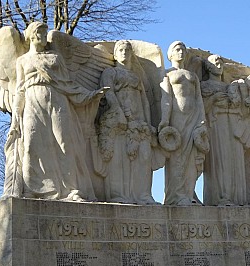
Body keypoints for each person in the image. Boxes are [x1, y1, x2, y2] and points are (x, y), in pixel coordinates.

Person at [10, 22, 106, 201]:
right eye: (39, 32)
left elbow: (67, 83)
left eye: (45, 32)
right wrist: (16, 116)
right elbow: (19, 90)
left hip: (58, 100)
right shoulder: (22, 61)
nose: (43, 35)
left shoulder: (56, 57)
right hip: (32, 101)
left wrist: (88, 95)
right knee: (31, 144)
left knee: (64, 143)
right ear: (31, 35)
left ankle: (71, 190)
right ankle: (34, 189)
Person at [99, 40, 157, 204]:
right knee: (119, 159)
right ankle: (118, 194)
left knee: (144, 159)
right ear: (115, 54)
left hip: (139, 124)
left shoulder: (135, 77)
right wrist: (119, 112)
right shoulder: (110, 72)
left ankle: (143, 195)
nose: (124, 52)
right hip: (119, 122)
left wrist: (147, 121)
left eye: (127, 50)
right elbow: (108, 93)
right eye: (121, 50)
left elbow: (144, 100)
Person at [158, 41, 207, 206]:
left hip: (193, 117)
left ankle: (190, 193)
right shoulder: (167, 74)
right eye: (177, 49)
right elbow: (166, 98)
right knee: (177, 157)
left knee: (192, 158)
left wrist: (202, 120)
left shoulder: (192, 76)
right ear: (170, 54)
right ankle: (176, 196)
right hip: (177, 118)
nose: (181, 52)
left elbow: (199, 99)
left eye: (183, 49)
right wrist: (165, 120)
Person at [201, 54, 250, 206]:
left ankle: (238, 199)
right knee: (221, 159)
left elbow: (244, 113)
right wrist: (214, 99)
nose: (219, 65)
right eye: (216, 62)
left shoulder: (230, 87)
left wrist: (247, 104)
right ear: (208, 67)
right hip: (217, 125)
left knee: (236, 159)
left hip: (234, 125)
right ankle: (221, 197)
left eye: (221, 62)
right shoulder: (204, 86)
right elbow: (200, 110)